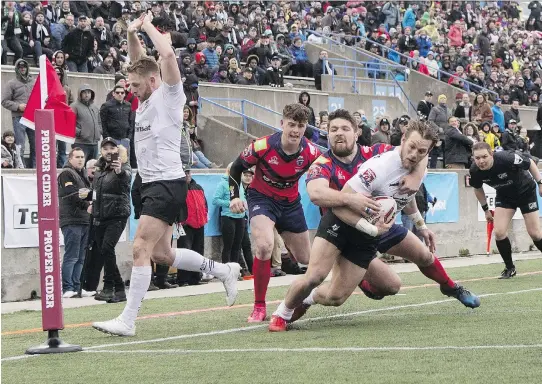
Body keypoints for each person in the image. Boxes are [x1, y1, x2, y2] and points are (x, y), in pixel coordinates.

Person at [92, 13, 240, 337]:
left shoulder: (170, 97)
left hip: (167, 183)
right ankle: (224, 271)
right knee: (162, 254)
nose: (130, 91)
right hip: (147, 182)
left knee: (140, 248)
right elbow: (138, 62)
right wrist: (131, 33)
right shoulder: (143, 97)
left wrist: (145, 25)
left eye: (134, 86)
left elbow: (167, 56)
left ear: (153, 81)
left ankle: (128, 320)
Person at [268, 113, 480, 331]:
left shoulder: (386, 153)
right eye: (334, 130)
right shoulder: (349, 164)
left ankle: (451, 287)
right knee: (319, 281)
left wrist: (420, 224)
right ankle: (283, 312)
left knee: (410, 267)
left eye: (345, 129)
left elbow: (403, 193)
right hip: (342, 224)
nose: (415, 154)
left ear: (357, 132)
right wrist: (364, 218)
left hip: (376, 225)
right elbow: (321, 197)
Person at [228, 103, 321, 322]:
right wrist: (234, 195)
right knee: (264, 246)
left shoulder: (311, 152)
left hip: (290, 204)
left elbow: (324, 174)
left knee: (307, 259)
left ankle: (300, 301)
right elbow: (236, 168)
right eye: (291, 124)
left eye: (300, 125)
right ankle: (259, 306)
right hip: (262, 199)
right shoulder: (262, 146)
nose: (295, 130)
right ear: (282, 124)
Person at [470, 142, 542, 279]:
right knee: (499, 232)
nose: (481, 161)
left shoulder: (506, 158)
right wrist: (486, 210)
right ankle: (510, 268)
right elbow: (477, 189)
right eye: (477, 158)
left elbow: (530, 163)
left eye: (484, 156)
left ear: (491, 154)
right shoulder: (475, 170)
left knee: (535, 234)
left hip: (526, 192)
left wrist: (540, 183)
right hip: (505, 196)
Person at [84, 139, 131, 304]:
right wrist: (90, 198)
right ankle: (114, 288)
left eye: (112, 148)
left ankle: (112, 287)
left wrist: (119, 171)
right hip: (100, 214)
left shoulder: (123, 165)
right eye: (105, 148)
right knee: (104, 251)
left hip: (117, 214)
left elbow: (126, 180)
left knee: (107, 248)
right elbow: (99, 191)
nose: (109, 151)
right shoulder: (99, 168)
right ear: (101, 151)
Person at [58, 148, 92, 298]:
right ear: (70, 158)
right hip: (71, 220)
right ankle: (67, 288)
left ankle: (77, 288)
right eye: (77, 157)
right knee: (71, 256)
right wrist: (88, 206)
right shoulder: (66, 174)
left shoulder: (82, 174)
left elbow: (87, 194)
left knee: (81, 257)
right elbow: (72, 194)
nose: (80, 159)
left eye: (82, 157)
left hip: (84, 219)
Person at [1, 59, 36, 168]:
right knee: (20, 146)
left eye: (24, 67)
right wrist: (18, 106)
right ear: (17, 69)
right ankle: (21, 168)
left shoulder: (34, 82)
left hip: (33, 117)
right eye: (20, 67)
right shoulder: (11, 83)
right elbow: (4, 101)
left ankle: (35, 168)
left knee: (36, 145)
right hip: (19, 118)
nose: (22, 69)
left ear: (27, 68)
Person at [213, 162, 247, 265]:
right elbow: (215, 200)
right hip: (228, 217)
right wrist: (230, 203)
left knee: (237, 246)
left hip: (240, 217)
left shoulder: (239, 184)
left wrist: (244, 203)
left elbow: (242, 198)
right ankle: (226, 271)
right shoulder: (223, 184)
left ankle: (235, 270)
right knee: (228, 246)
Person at [71, 84, 102, 163]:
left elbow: (99, 122)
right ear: (80, 94)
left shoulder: (94, 107)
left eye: (88, 92)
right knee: (79, 166)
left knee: (92, 168)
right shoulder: (74, 106)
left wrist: (99, 131)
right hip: (81, 143)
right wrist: (79, 133)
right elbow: (70, 123)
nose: (87, 94)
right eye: (84, 92)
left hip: (94, 143)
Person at [100, 85, 134, 152]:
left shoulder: (128, 105)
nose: (120, 94)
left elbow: (131, 121)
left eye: (122, 93)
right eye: (117, 92)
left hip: (125, 139)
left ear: (124, 94)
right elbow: (102, 123)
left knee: (125, 160)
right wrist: (107, 138)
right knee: (113, 160)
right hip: (112, 139)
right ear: (113, 94)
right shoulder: (106, 106)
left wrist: (129, 137)